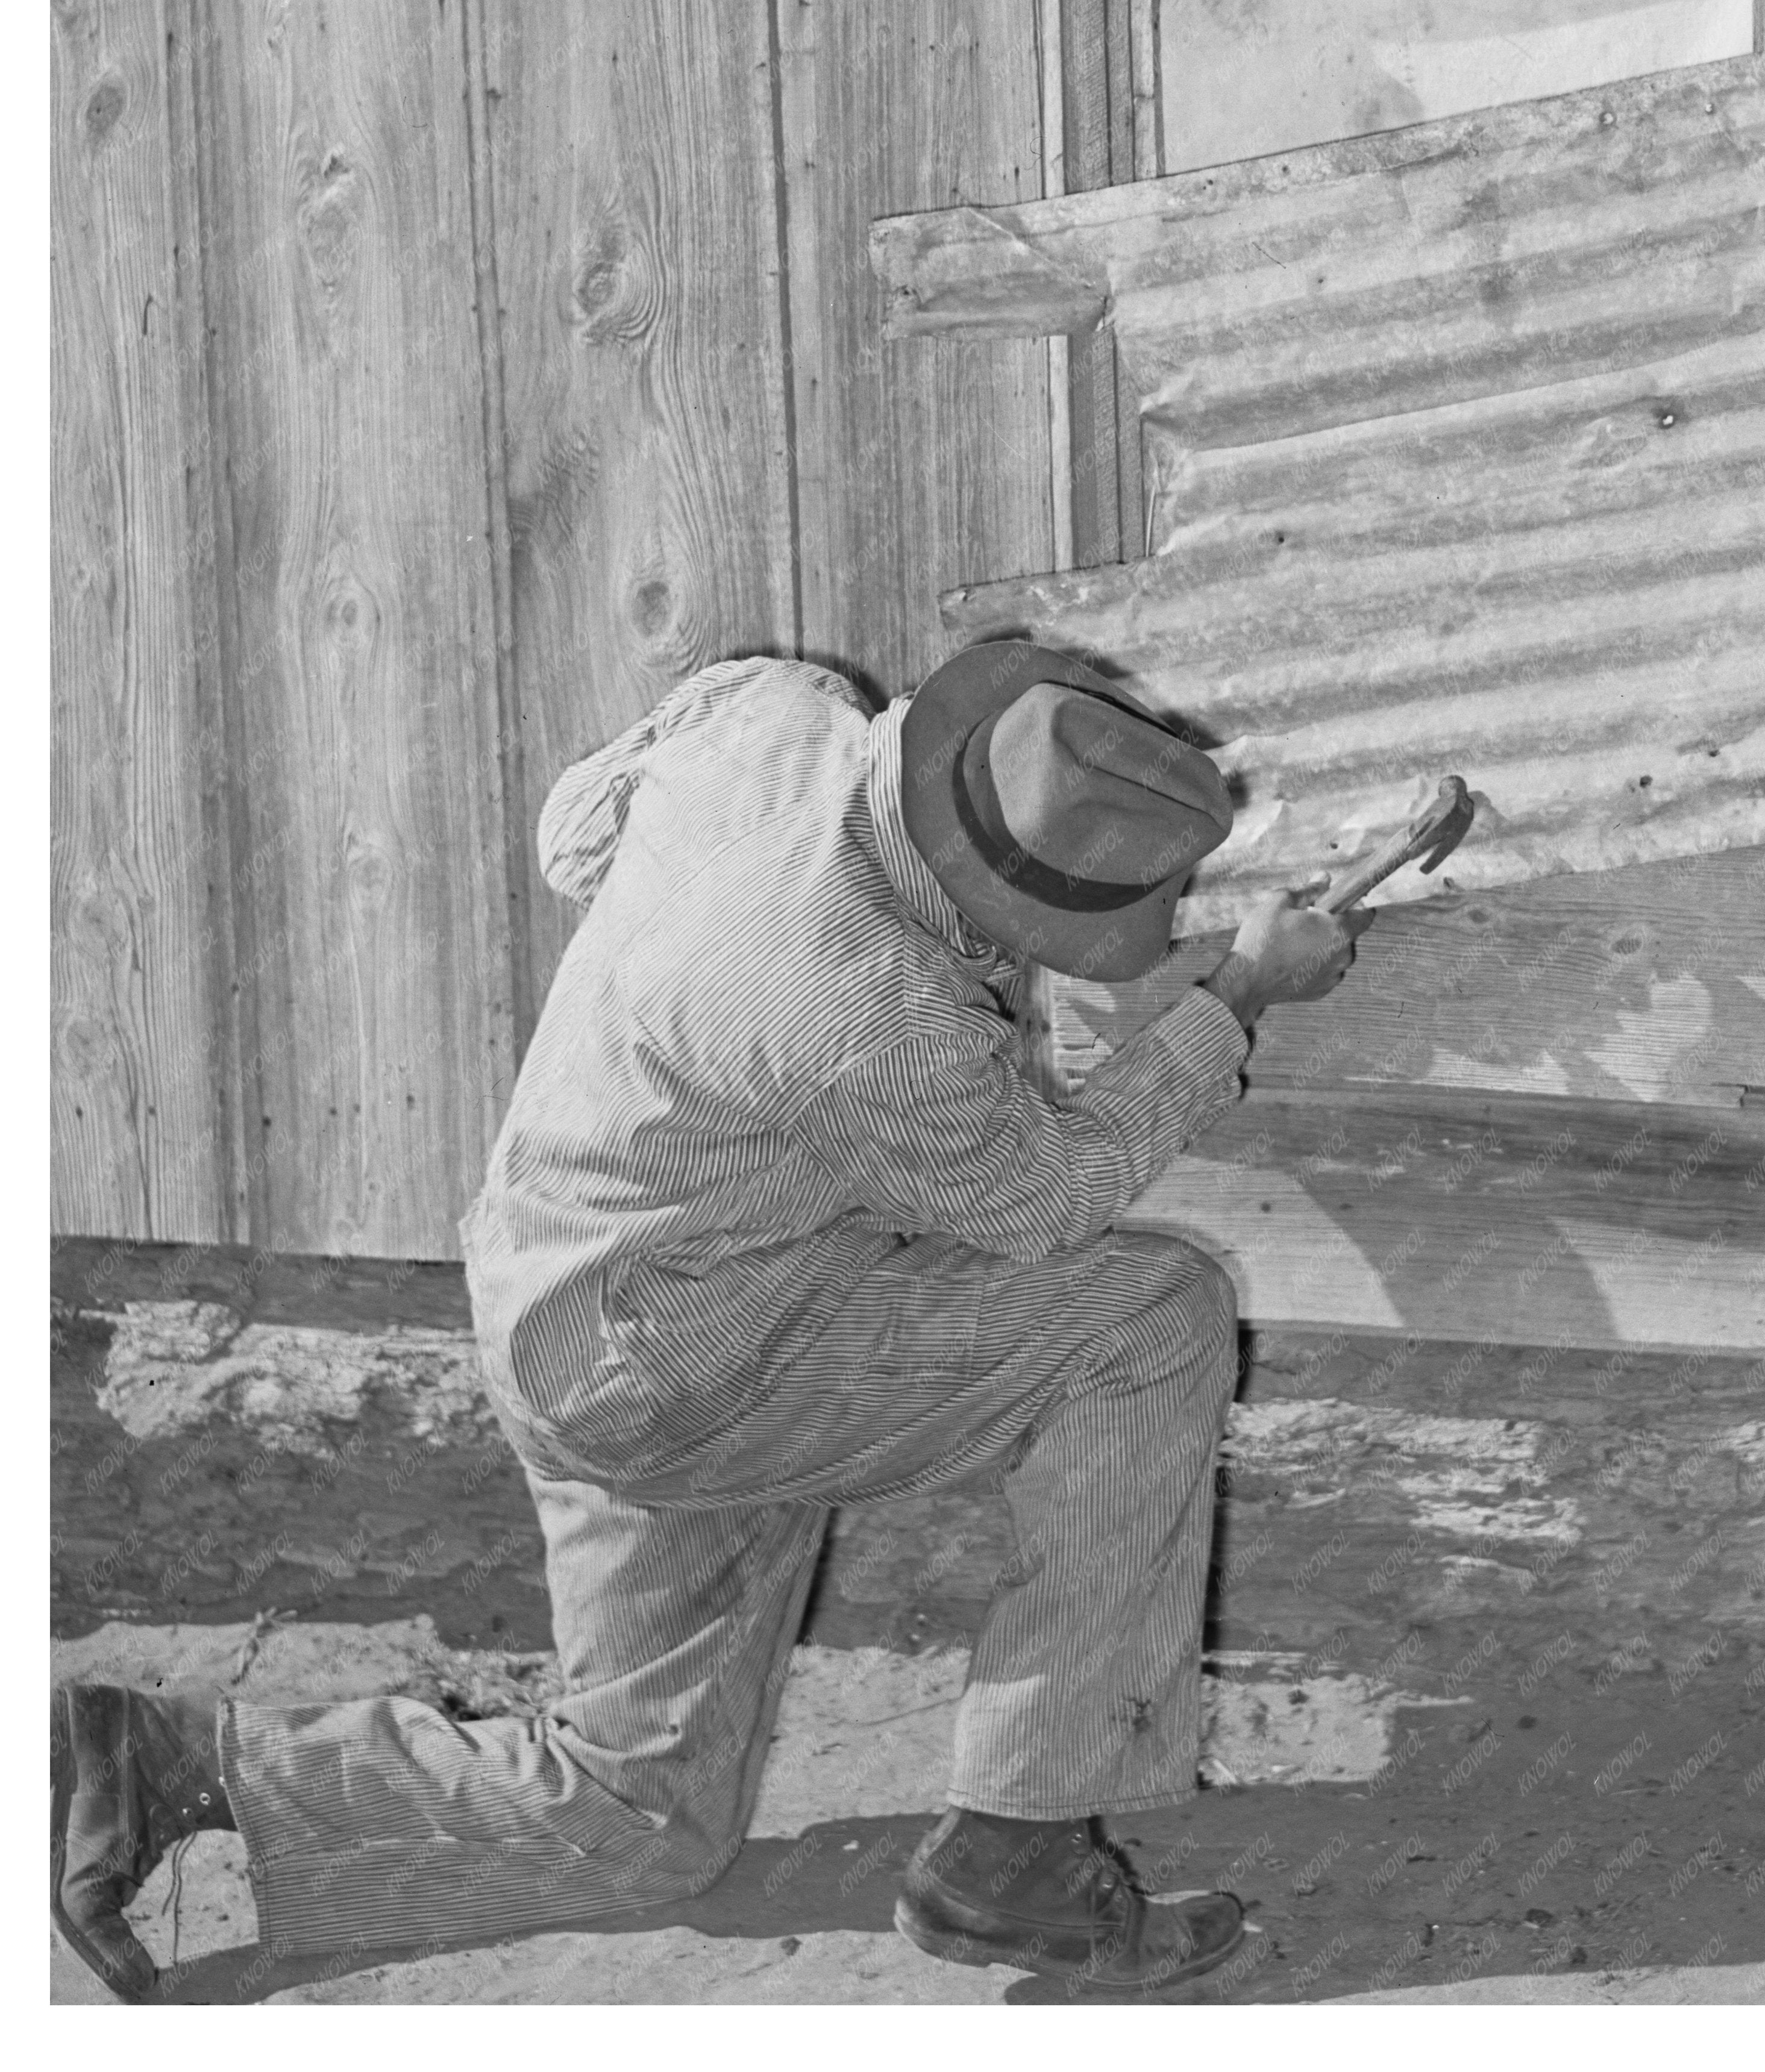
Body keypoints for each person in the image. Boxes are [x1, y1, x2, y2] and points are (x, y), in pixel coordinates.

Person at [52, 641, 1361, 2003]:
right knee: (1149, 1316)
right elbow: (1044, 1199)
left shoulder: (769, 713)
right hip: (694, 1370)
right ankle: (1017, 1847)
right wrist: (1235, 1000)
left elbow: (575, 837)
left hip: (554, 1308)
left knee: (643, 1821)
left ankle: (157, 1761)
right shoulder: (875, 1010)